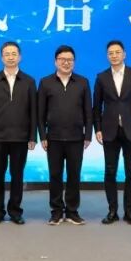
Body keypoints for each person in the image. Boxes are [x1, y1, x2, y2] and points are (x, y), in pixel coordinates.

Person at [93, 40, 131, 225]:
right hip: (109, 131)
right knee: (110, 172)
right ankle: (112, 211)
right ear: (107, 56)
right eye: (110, 53)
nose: (114, 55)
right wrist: (97, 128)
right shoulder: (101, 77)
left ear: (124, 54)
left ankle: (129, 212)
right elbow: (97, 106)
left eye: (117, 52)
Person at [0, 41, 37, 225]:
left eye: (14, 54)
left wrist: (32, 136)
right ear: (1, 58)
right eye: (7, 54)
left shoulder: (29, 81)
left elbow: (33, 111)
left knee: (17, 175)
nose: (11, 57)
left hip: (20, 138)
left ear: (20, 57)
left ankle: (15, 211)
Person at [37, 45, 92, 225]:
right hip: (53, 138)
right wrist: (42, 136)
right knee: (55, 175)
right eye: (62, 59)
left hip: (76, 138)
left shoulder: (83, 82)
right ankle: (56, 211)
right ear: (56, 62)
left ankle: (72, 211)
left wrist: (88, 135)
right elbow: (40, 113)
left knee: (74, 175)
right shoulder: (45, 82)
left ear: (74, 62)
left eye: (69, 60)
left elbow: (88, 112)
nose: (66, 63)